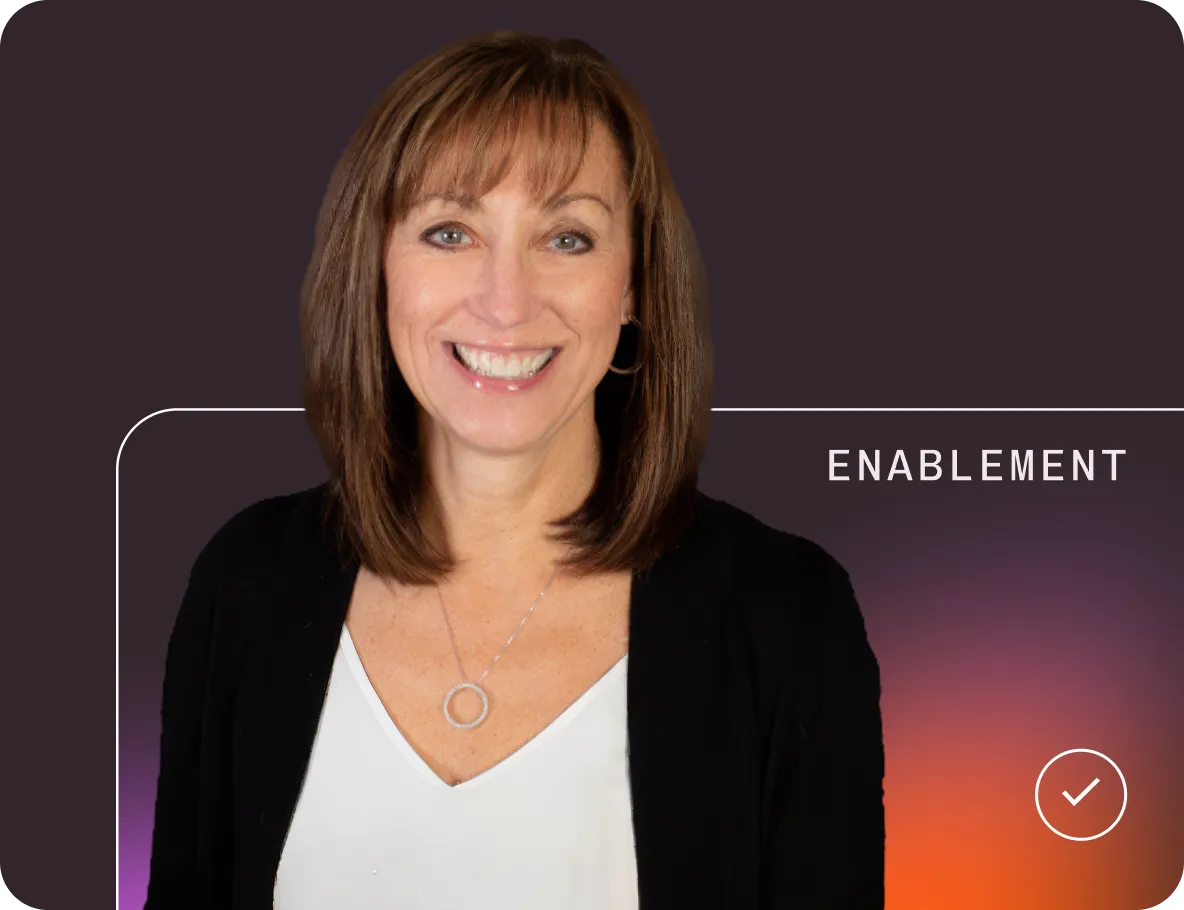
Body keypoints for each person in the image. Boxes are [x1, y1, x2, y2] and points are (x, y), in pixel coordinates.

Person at [143, 29, 884, 910]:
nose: (505, 301)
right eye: (449, 231)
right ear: (377, 267)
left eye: (566, 238)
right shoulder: (246, 583)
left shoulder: (788, 618)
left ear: (635, 285)